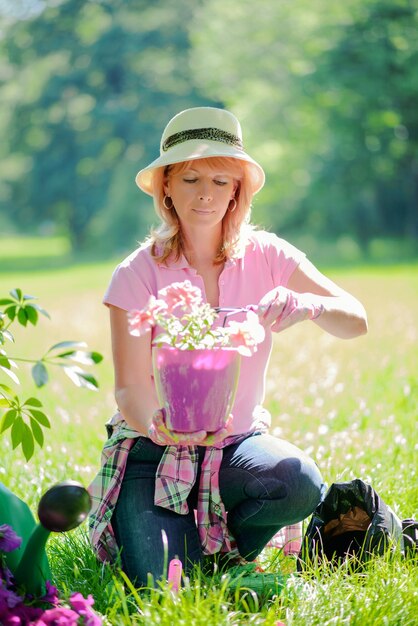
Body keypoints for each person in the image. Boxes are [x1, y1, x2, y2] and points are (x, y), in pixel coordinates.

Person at [89, 107, 368, 586]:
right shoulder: (137, 272)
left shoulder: (269, 255)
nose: (205, 193)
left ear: (237, 189)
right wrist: (161, 426)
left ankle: (226, 554)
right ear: (166, 188)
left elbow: (356, 320)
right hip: (154, 455)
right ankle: (197, 553)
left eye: (221, 181)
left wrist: (308, 305)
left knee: (297, 481)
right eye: (191, 178)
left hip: (235, 450)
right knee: (162, 587)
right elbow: (130, 388)